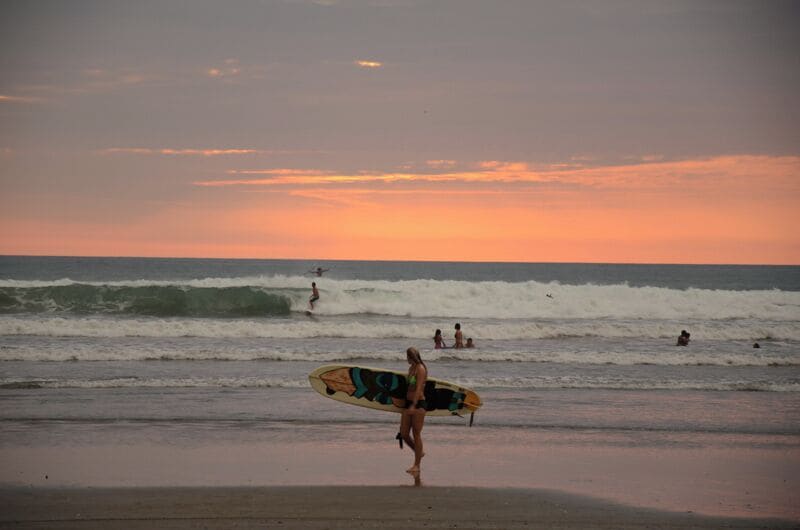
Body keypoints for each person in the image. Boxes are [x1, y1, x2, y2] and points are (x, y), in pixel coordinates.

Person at [399, 347, 427, 477]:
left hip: (418, 405)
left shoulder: (420, 369)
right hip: (408, 404)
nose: (406, 359)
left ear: (412, 356)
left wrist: (414, 405)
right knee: (404, 434)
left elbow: (419, 388)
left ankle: (417, 465)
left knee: (416, 434)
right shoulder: (411, 369)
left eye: (407, 356)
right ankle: (418, 452)